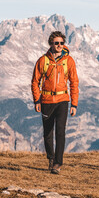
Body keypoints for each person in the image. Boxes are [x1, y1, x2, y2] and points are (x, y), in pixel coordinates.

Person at [31, 31, 79, 174]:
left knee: (60, 131)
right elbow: (35, 81)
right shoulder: (42, 60)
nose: (59, 45)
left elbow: (74, 83)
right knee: (47, 133)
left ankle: (58, 163)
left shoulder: (69, 61)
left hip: (63, 100)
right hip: (46, 100)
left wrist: (74, 104)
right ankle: (51, 158)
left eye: (61, 43)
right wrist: (37, 100)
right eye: (56, 43)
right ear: (51, 44)